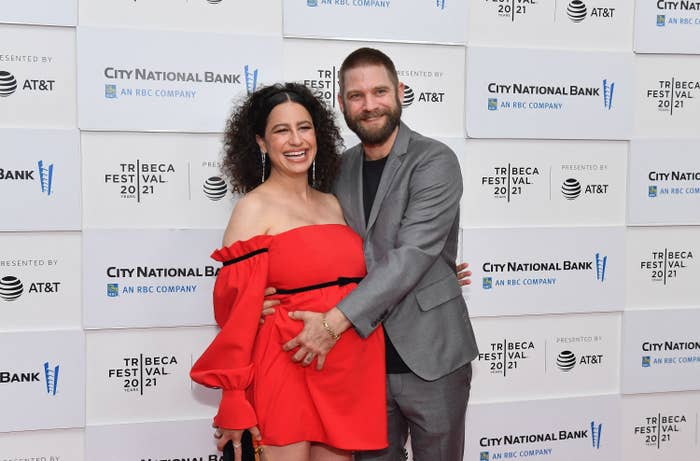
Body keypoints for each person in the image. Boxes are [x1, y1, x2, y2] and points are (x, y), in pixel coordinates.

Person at [278, 48, 479, 461]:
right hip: (361, 361)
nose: (369, 105)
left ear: (400, 92)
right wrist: (263, 294)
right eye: (356, 96)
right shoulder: (337, 169)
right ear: (342, 104)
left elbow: (411, 255)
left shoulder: (434, 160)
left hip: (431, 357)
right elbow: (320, 250)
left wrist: (332, 323)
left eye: (379, 91)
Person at [190, 82, 387, 461]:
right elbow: (234, 314)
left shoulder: (334, 203)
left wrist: (441, 271)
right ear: (261, 143)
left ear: (319, 134)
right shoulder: (253, 209)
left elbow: (381, 264)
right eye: (281, 130)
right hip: (284, 364)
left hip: (344, 365)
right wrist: (233, 395)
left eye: (304, 127)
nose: (296, 140)